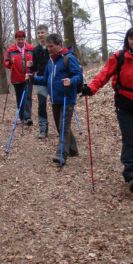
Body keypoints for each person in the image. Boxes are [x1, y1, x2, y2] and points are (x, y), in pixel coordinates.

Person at [81, 27, 133, 192]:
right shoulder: (119, 57)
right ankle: (131, 174)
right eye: (131, 38)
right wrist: (91, 88)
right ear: (127, 40)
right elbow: (104, 74)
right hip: (124, 103)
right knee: (130, 138)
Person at [32, 33, 83, 165]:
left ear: (60, 45)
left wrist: (70, 81)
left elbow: (79, 76)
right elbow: (45, 79)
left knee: (63, 125)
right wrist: (33, 79)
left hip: (67, 98)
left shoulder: (69, 58)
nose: (49, 49)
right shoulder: (50, 61)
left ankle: (61, 154)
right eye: (47, 46)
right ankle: (72, 149)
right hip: (55, 100)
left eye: (51, 46)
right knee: (61, 127)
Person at [4, 30, 34, 125]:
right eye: (18, 39)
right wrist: (9, 63)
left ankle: (27, 117)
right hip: (16, 77)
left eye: (22, 39)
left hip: (28, 77)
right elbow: (5, 62)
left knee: (28, 96)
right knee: (20, 97)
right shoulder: (11, 50)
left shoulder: (30, 48)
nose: (20, 41)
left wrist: (33, 65)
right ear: (15, 40)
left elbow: (35, 60)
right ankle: (22, 117)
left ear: (24, 39)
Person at [33, 24, 51, 138]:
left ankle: (61, 127)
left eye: (42, 32)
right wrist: (30, 66)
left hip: (54, 79)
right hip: (41, 80)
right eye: (38, 33)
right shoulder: (36, 50)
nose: (40, 35)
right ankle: (43, 128)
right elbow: (34, 67)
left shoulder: (52, 47)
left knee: (56, 104)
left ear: (47, 33)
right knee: (42, 104)